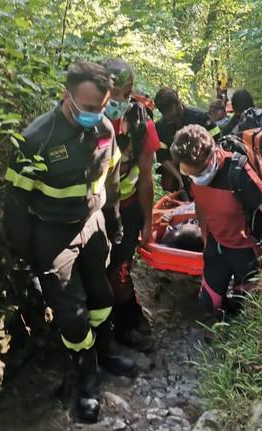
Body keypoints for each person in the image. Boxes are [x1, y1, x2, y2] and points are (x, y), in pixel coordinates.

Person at [3, 61, 136, 423]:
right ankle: (87, 379)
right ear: (67, 96)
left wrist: (115, 222)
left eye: (102, 107)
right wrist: (25, 257)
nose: (96, 115)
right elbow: (16, 202)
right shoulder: (38, 138)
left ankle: (107, 350)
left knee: (101, 296)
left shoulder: (106, 130)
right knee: (72, 315)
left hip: (93, 225)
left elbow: (111, 181)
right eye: (89, 108)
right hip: (53, 233)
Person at [170, 125, 262, 316]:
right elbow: (201, 205)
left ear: (212, 155)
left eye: (201, 172)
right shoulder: (190, 171)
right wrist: (206, 239)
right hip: (216, 246)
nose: (198, 178)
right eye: (191, 174)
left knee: (244, 309)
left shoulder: (238, 173)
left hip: (246, 251)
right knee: (208, 305)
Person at [100, 58, 158, 352]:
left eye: (127, 91)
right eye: (115, 90)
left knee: (120, 269)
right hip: (92, 212)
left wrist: (148, 222)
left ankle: (127, 323)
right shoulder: (84, 118)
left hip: (128, 208)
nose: (120, 99)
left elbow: (146, 177)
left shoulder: (140, 122)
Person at [154, 87, 221, 192]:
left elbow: (219, 145)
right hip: (181, 179)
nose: (175, 121)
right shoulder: (160, 127)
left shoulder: (201, 118)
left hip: (208, 174)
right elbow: (163, 157)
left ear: (179, 102)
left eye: (176, 116)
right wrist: (179, 178)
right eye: (170, 120)